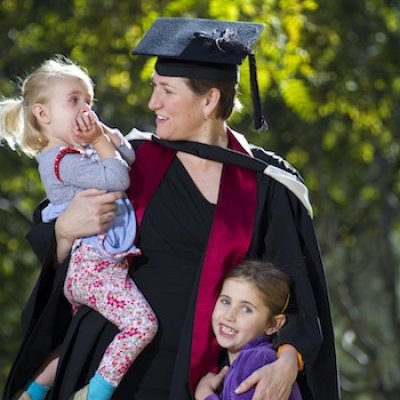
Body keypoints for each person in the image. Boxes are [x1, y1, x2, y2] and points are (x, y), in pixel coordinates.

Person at [4, 18, 339, 400]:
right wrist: (64, 230)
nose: (152, 103)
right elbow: (52, 233)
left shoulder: (268, 184)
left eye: (166, 90)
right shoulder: (133, 158)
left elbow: (295, 285)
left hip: (195, 379)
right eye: (153, 88)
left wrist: (288, 358)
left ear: (209, 100)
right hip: (104, 370)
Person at [0, 56, 158, 400]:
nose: (86, 108)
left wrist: (106, 137)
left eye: (89, 101)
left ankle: (34, 391)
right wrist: (102, 143)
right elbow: (117, 176)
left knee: (76, 338)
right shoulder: (61, 161)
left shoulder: (80, 150)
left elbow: (126, 157)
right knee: (141, 325)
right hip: (92, 269)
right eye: (74, 100)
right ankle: (95, 394)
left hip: (97, 265)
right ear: (43, 115)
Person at [194, 260, 302, 400]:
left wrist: (204, 394)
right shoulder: (241, 361)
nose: (229, 315)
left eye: (246, 309)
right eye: (226, 301)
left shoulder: (258, 361)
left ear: (273, 324)